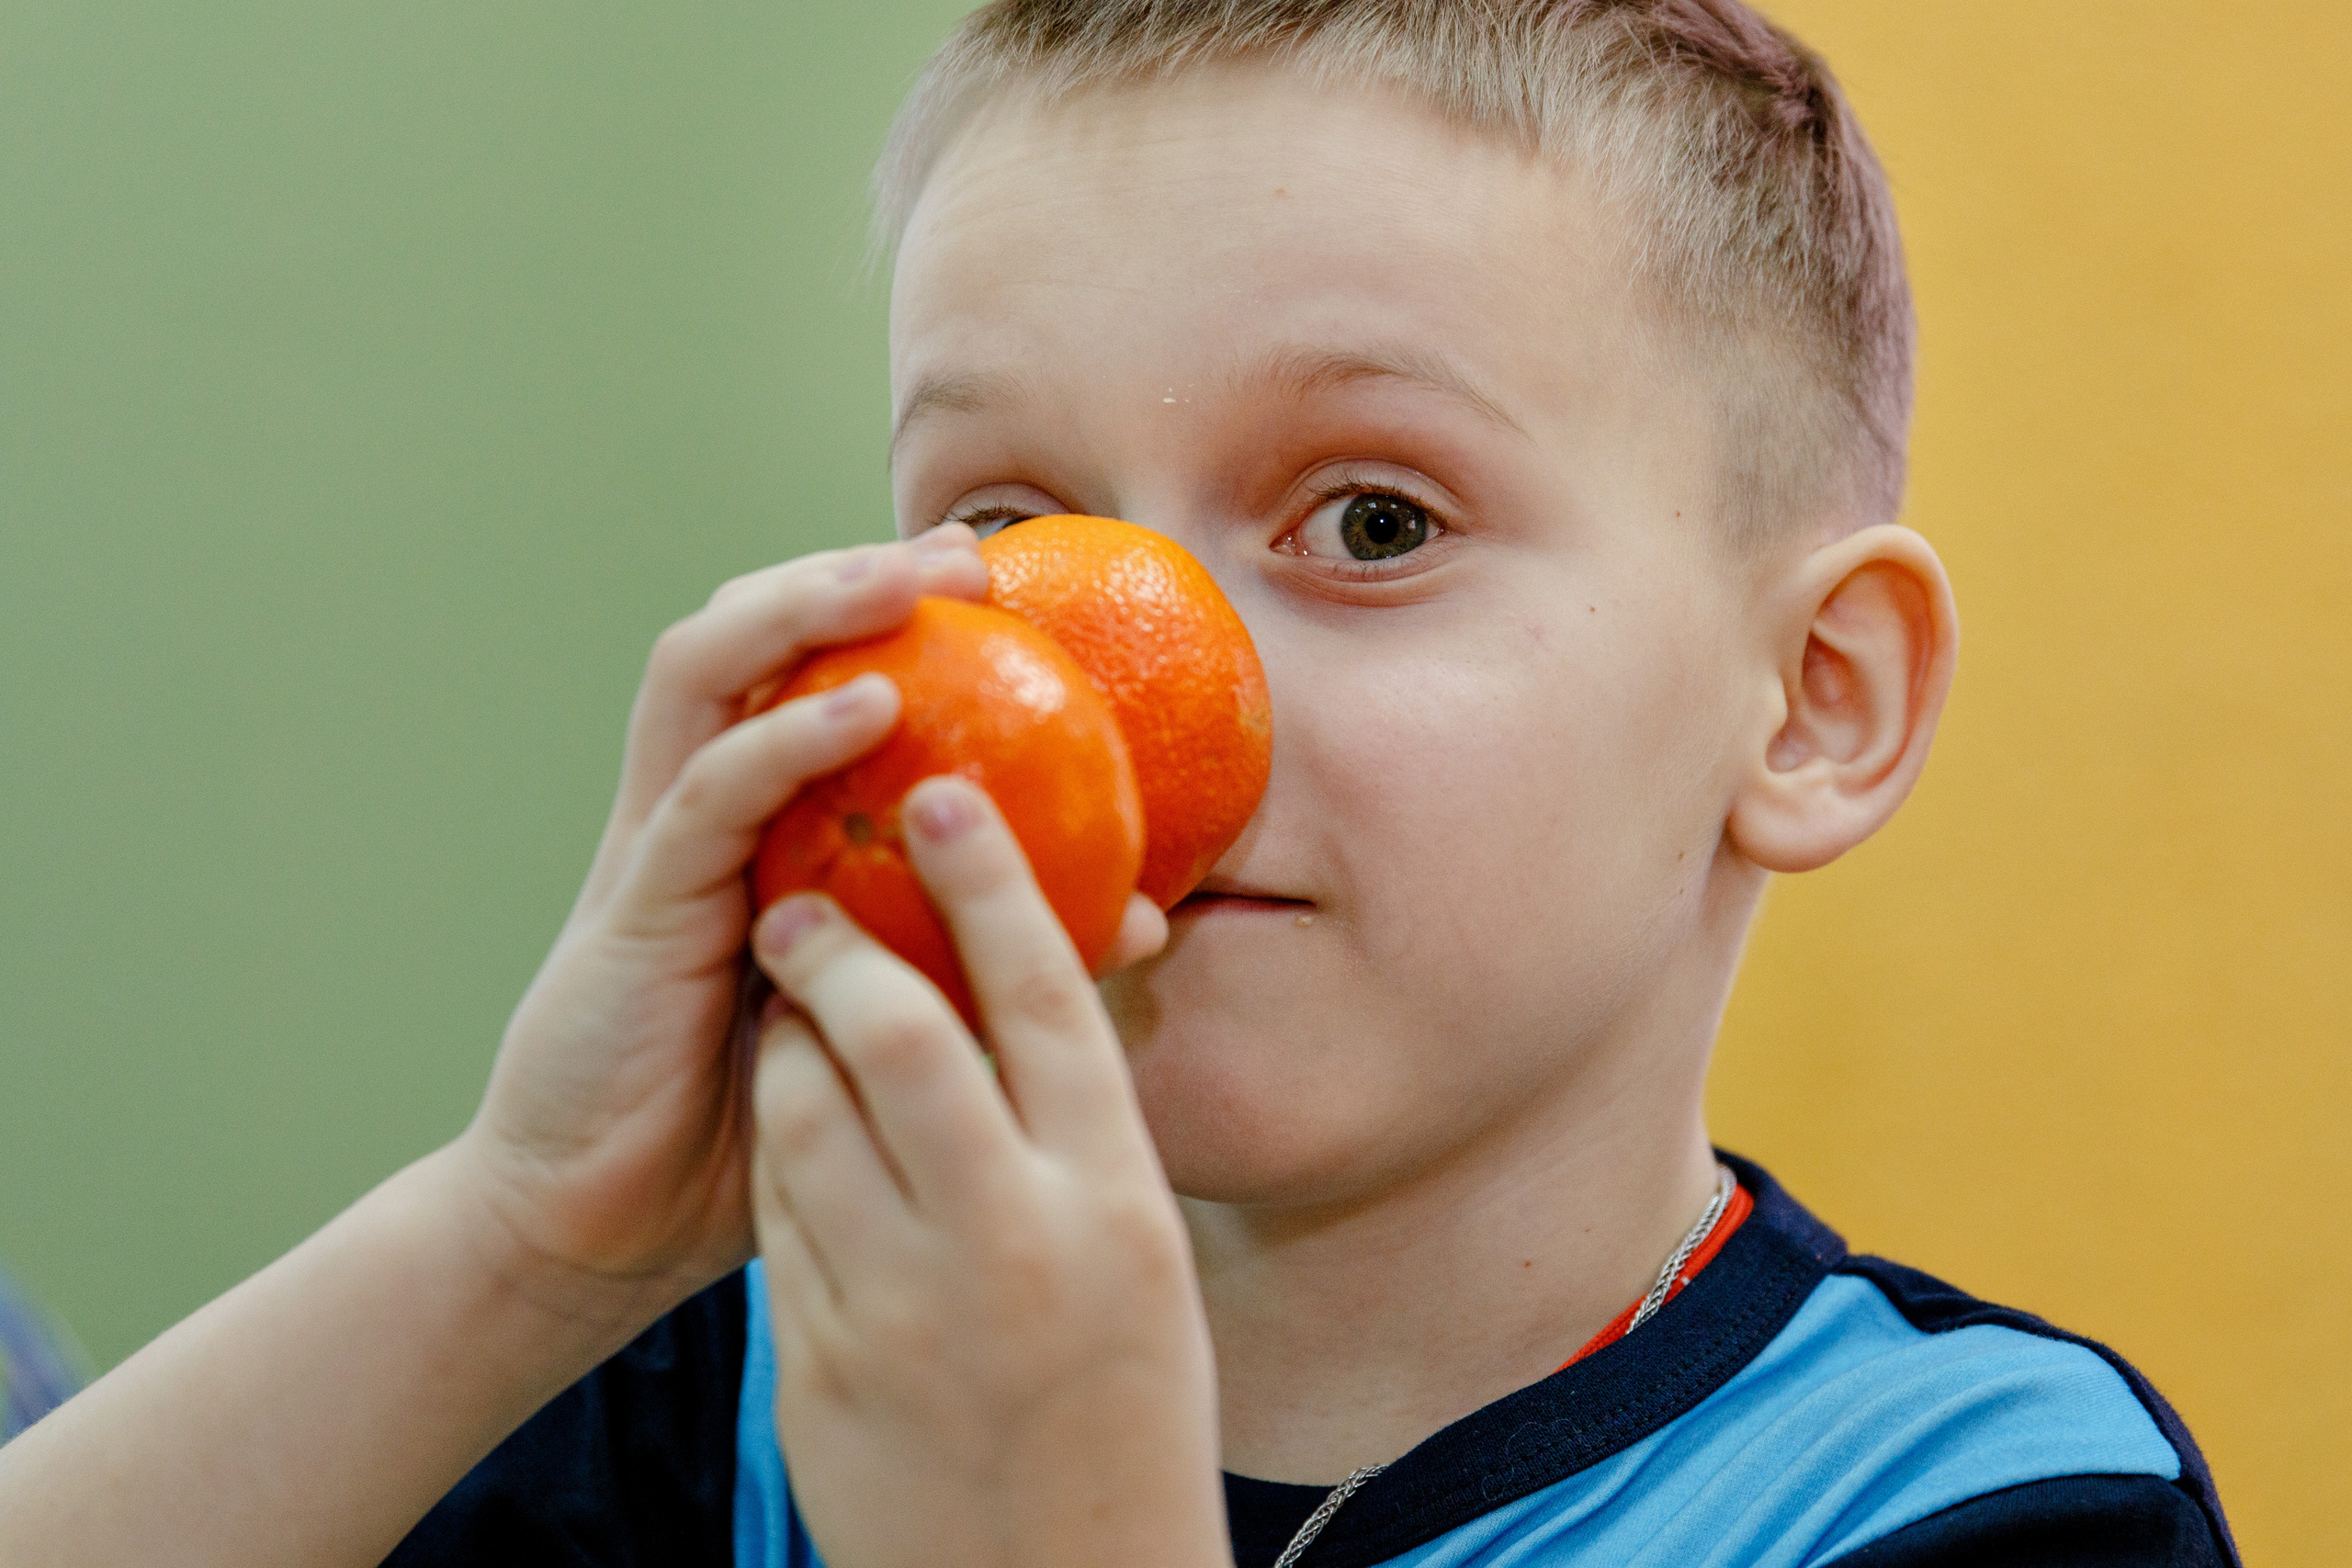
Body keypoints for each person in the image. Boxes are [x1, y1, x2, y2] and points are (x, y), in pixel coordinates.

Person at [0, 2, 2237, 1563]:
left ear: (1811, 700)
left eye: (1370, 521)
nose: (1103, 676)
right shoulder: (732, 1387)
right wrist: (520, 1237)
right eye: (1007, 532)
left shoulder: (1986, 1500)